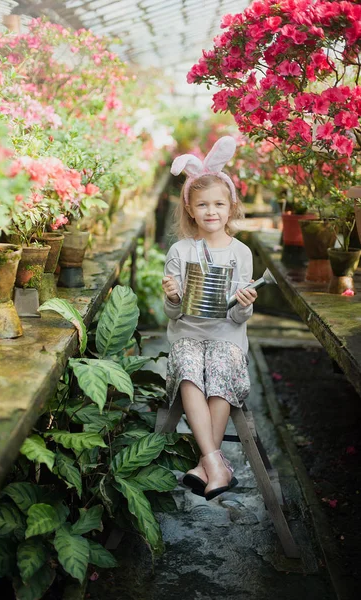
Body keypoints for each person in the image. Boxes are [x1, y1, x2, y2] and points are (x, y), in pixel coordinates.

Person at [162, 136, 258, 501]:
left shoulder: (241, 252)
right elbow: (173, 313)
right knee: (188, 365)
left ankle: (207, 464)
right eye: (202, 204)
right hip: (187, 333)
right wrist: (172, 297)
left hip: (227, 337)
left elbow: (238, 318)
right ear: (190, 208)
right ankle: (216, 464)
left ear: (231, 206)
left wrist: (245, 303)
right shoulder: (180, 250)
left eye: (218, 203)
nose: (211, 211)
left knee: (221, 365)